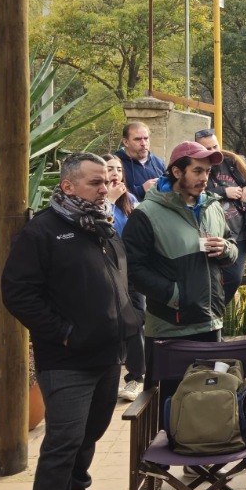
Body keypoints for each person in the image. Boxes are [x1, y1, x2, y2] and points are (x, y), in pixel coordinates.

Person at [1, 153, 141, 490]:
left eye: (107, 181)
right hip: (66, 360)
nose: (105, 188)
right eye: (96, 183)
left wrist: (130, 316)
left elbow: (121, 282)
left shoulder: (104, 225)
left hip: (107, 354)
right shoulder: (43, 231)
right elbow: (18, 293)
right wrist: (64, 332)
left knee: (90, 435)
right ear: (68, 186)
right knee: (63, 442)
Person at [123, 140, 238, 373]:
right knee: (169, 402)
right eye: (197, 171)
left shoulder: (213, 207)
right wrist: (175, 296)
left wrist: (226, 249)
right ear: (177, 171)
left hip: (211, 322)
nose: (205, 177)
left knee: (208, 400)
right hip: (169, 328)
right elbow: (132, 268)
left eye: (207, 171)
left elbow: (232, 244)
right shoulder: (146, 214)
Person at [194, 129, 246, 303]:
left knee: (233, 278)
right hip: (207, 233)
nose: (214, 152)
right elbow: (192, 190)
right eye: (208, 149)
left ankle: (216, 311)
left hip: (239, 233)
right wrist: (223, 191)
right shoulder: (196, 166)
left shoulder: (234, 160)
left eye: (215, 146)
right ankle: (205, 313)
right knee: (205, 276)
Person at [103, 154, 146, 402]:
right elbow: (100, 229)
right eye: (110, 168)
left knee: (135, 321)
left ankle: (136, 378)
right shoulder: (98, 202)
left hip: (130, 272)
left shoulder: (130, 200)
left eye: (119, 168)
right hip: (105, 272)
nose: (116, 173)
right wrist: (108, 202)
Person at [115, 121, 165, 201]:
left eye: (146, 138)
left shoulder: (159, 163)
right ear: (126, 142)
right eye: (137, 139)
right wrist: (141, 190)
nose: (143, 143)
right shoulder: (115, 164)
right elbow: (111, 195)